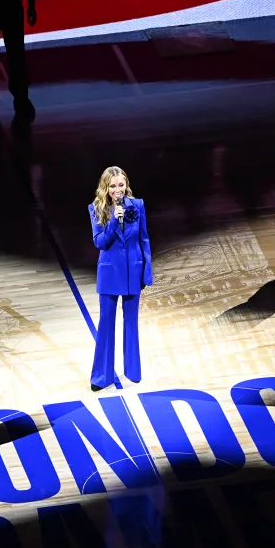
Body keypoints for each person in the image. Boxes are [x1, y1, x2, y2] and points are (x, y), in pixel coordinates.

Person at [87, 166, 153, 392]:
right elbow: (100, 242)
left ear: (126, 185)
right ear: (106, 188)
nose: (118, 190)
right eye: (113, 186)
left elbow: (144, 240)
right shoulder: (96, 209)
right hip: (109, 273)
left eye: (121, 185)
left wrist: (147, 271)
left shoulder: (138, 205)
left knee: (131, 322)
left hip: (132, 272)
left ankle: (132, 371)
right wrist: (114, 220)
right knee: (106, 324)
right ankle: (101, 376)